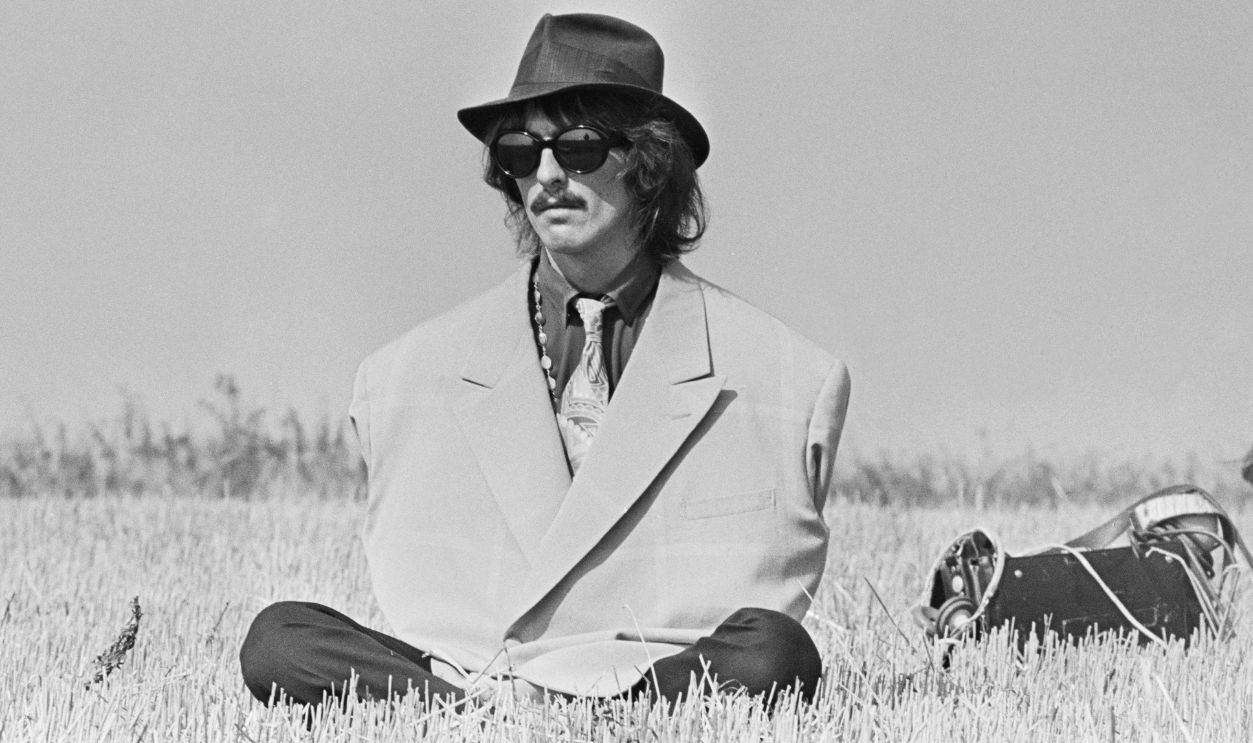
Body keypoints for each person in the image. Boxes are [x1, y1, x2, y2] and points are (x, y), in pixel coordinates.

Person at [240, 12, 851, 710]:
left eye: (580, 146)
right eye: (520, 152)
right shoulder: (397, 377)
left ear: (650, 162)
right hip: (466, 674)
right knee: (279, 639)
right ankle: (487, 715)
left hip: (647, 674)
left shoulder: (790, 375)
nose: (548, 174)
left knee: (776, 653)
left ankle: (571, 712)